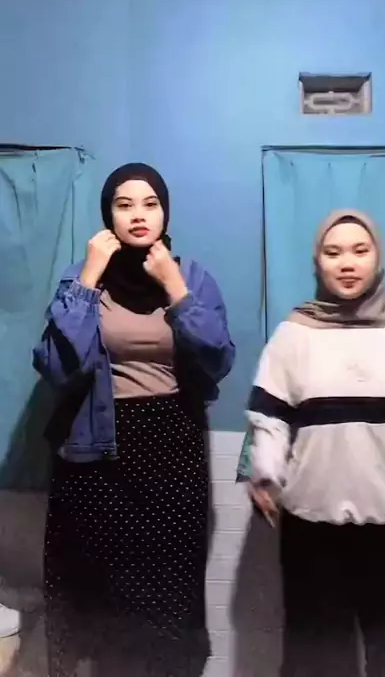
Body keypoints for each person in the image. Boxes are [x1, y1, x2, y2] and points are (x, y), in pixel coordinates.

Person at [242, 209, 385, 677]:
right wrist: (266, 472)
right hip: (314, 536)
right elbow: (269, 420)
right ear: (318, 262)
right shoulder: (293, 336)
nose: (347, 263)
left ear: (377, 258)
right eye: (333, 253)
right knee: (315, 663)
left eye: (360, 250)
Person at [33, 163, 235, 677]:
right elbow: (59, 367)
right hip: (96, 452)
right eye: (124, 205)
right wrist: (88, 279)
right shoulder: (81, 278)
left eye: (150, 203)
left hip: (172, 450)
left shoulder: (191, 277)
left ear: (165, 213)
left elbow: (217, 359)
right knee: (101, 599)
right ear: (108, 216)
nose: (138, 215)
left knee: (168, 594)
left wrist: (174, 287)